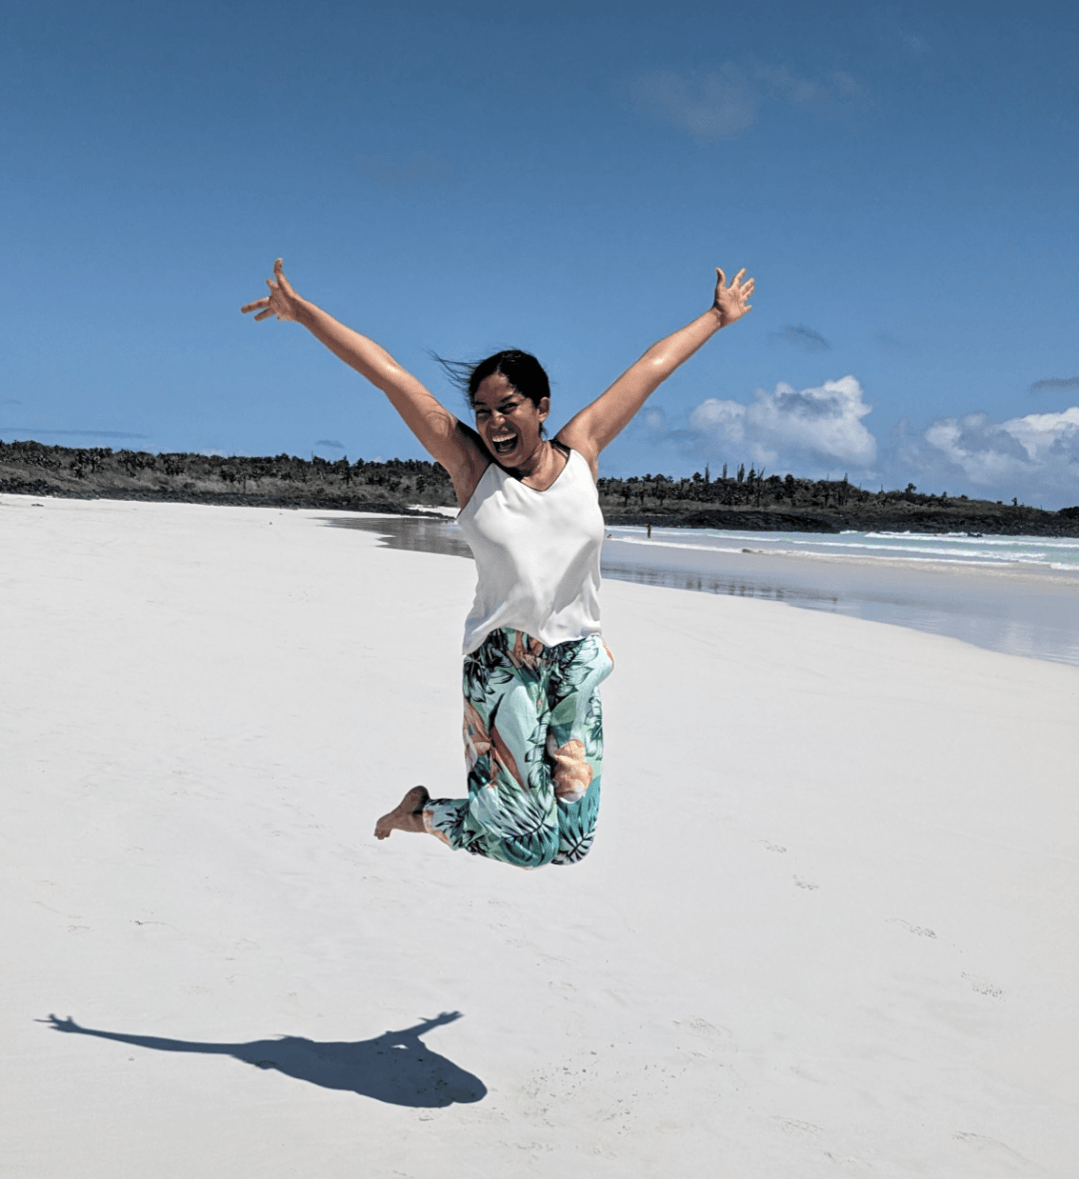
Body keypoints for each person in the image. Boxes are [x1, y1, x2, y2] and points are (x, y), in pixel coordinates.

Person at [242, 259, 753, 869]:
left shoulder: (582, 450)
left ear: (541, 406)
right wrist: (303, 314)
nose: (493, 424)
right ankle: (422, 815)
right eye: (482, 412)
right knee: (531, 845)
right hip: (502, 663)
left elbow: (650, 369)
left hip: (578, 661)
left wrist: (717, 318)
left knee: (572, 844)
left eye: (507, 407)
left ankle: (437, 813)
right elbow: (389, 376)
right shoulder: (471, 471)